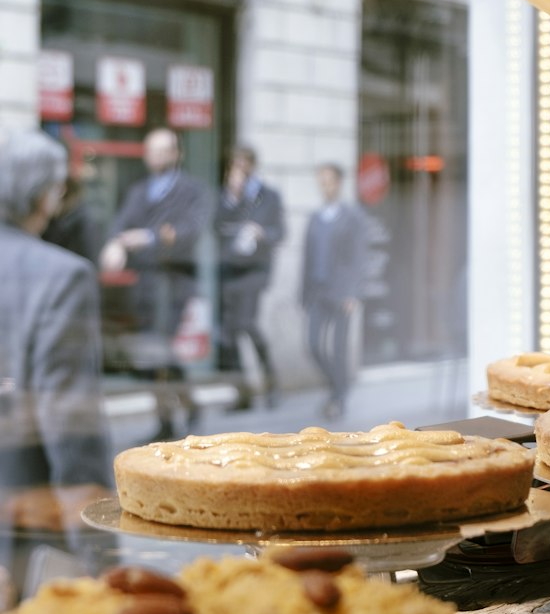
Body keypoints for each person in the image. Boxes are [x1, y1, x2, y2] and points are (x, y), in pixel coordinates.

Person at [0, 130, 110, 535]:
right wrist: (97, 544)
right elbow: (68, 421)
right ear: (47, 194)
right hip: (26, 514)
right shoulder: (62, 276)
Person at [99, 128, 212, 369]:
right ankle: (167, 394)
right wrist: (115, 243)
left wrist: (150, 238)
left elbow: (190, 230)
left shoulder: (193, 190)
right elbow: (121, 223)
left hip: (175, 278)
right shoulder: (139, 191)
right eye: (151, 151)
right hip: (144, 281)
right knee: (149, 344)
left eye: (162, 151)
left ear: (175, 154)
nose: (155, 157)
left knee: (164, 345)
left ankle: (180, 396)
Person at [215, 147, 285, 405]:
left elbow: (280, 232)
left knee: (247, 324)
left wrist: (262, 233)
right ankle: (242, 393)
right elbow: (215, 225)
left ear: (252, 166)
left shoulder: (268, 197)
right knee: (228, 332)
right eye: (235, 165)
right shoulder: (226, 197)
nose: (239, 170)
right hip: (230, 269)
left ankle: (271, 383)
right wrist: (231, 196)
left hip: (255, 270)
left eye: (243, 165)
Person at [301, 164, 369, 421]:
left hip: (342, 294)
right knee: (313, 344)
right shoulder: (316, 218)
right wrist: (304, 295)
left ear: (339, 183)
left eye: (329, 181)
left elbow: (360, 258)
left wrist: (353, 293)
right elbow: (307, 258)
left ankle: (339, 398)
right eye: (321, 181)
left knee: (339, 348)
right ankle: (337, 387)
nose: (325, 185)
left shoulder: (352, 217)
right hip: (318, 292)